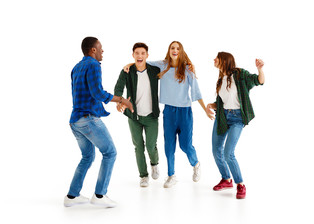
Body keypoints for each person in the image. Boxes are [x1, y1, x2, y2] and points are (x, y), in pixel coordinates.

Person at [126, 41, 212, 188]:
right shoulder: (162, 65)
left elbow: (196, 93)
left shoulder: (188, 70)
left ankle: (196, 163)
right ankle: (171, 175)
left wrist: (205, 109)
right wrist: (129, 64)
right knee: (169, 146)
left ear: (181, 51)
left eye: (178, 48)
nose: (175, 50)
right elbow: (142, 62)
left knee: (185, 145)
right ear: (169, 50)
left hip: (184, 112)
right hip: (169, 112)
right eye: (172, 48)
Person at [64, 37, 133, 208]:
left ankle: (71, 196)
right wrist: (122, 99)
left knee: (87, 157)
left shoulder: (76, 67)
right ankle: (100, 194)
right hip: (88, 119)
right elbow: (97, 93)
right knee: (110, 153)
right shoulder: (93, 65)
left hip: (75, 120)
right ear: (93, 50)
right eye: (100, 48)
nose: (103, 51)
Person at [206, 52, 265, 199]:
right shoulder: (221, 79)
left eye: (216, 58)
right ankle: (226, 179)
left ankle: (240, 184)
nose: (214, 59)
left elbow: (259, 81)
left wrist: (260, 69)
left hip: (237, 118)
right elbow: (221, 102)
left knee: (228, 153)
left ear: (224, 60)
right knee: (216, 150)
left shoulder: (240, 75)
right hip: (223, 117)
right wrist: (210, 105)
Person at [114, 42, 161, 187]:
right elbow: (119, 87)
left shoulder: (154, 70)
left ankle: (154, 163)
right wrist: (119, 101)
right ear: (133, 55)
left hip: (151, 116)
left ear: (147, 55)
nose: (140, 56)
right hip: (134, 116)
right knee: (138, 146)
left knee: (151, 146)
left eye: (143, 53)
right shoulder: (127, 71)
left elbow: (170, 67)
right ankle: (143, 175)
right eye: (137, 53)